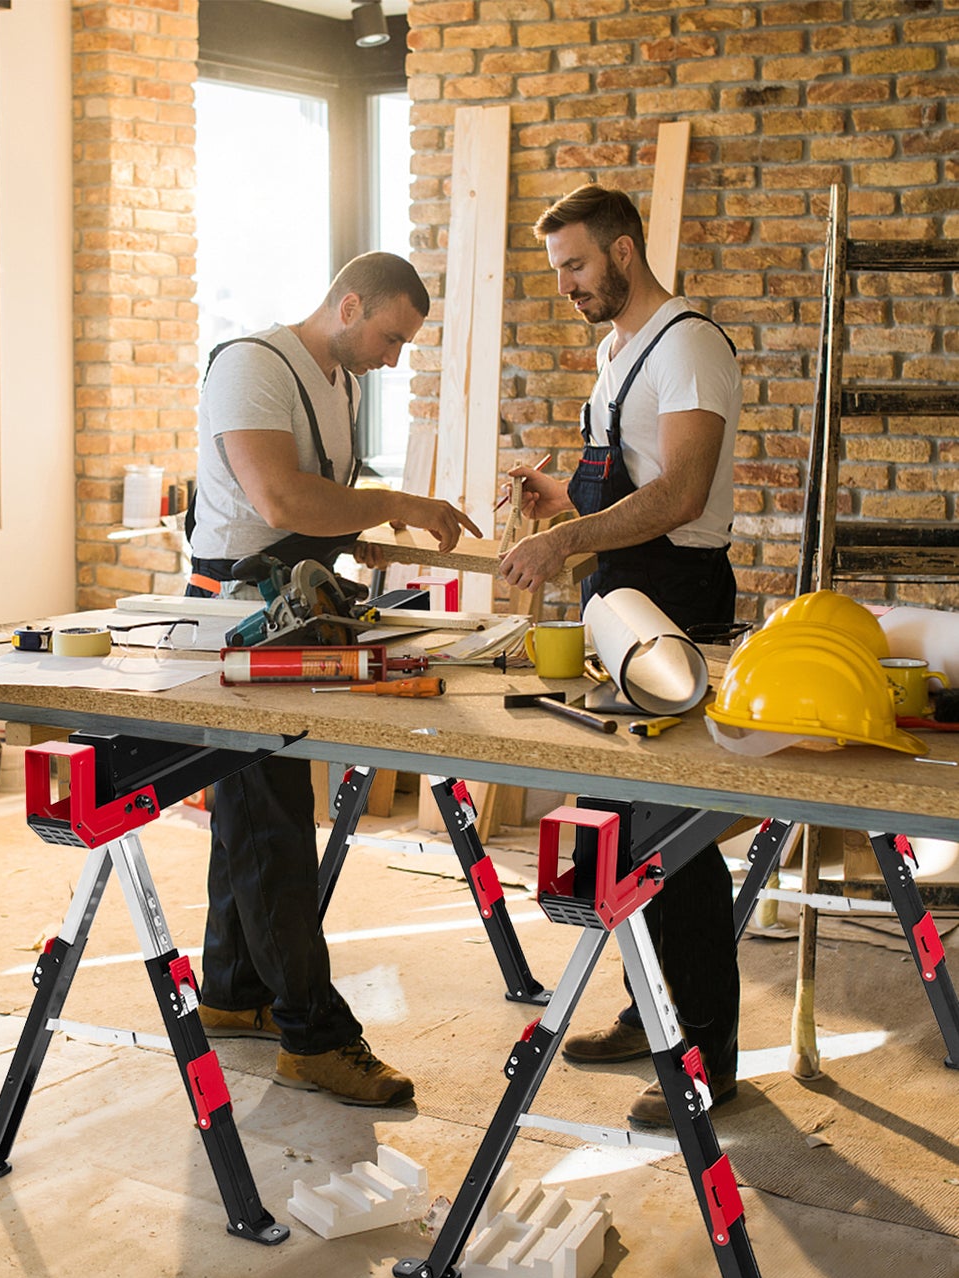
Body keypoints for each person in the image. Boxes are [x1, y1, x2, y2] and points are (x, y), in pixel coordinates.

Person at [186, 251, 479, 1105]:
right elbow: (279, 499)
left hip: (295, 606)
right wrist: (397, 505)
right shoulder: (251, 365)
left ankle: (235, 995)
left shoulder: (341, 383)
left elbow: (318, 510)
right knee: (271, 819)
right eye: (389, 336)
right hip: (238, 612)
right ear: (348, 304)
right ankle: (314, 1034)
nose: (392, 359)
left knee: (253, 803)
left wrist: (367, 532)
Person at [498, 184, 744, 1130]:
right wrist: (561, 500)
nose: (563, 284)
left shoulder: (686, 344)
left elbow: (680, 494)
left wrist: (564, 545)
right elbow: (628, 483)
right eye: (556, 267)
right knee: (616, 824)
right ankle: (653, 1015)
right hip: (619, 594)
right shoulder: (615, 353)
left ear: (625, 252)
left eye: (574, 265)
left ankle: (706, 1056)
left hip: (674, 595)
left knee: (669, 835)